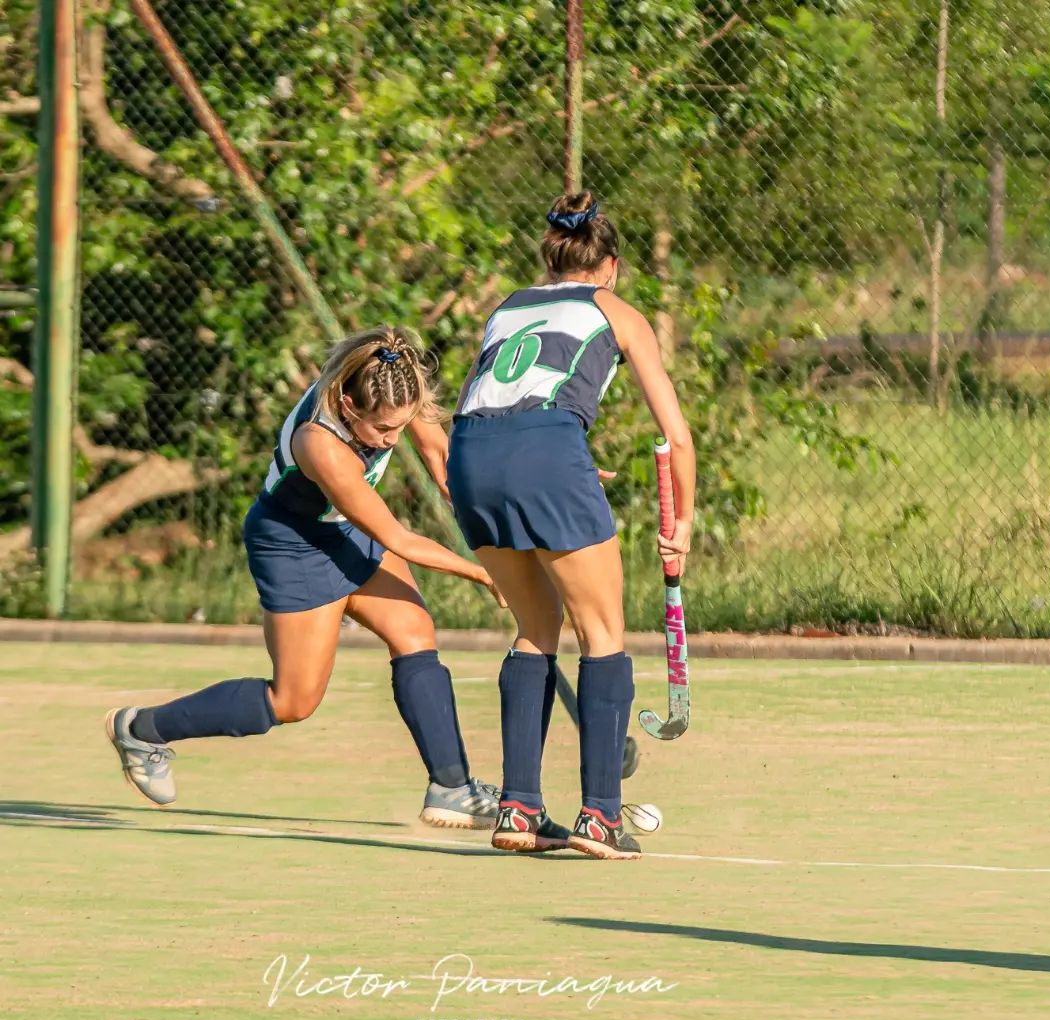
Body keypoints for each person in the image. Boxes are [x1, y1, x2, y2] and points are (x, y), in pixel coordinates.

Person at [107, 327, 505, 829]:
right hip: (293, 544)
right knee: (292, 701)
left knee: (414, 635)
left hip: (343, 529)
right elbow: (397, 537)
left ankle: (451, 787)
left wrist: (504, 513)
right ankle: (142, 728)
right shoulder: (321, 444)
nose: (390, 440)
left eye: (400, 427)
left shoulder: (393, 384)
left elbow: (443, 463)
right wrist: (485, 575)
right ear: (347, 403)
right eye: (382, 430)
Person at [446, 191, 696, 860]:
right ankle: (599, 818)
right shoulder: (615, 311)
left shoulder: (506, 308)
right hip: (547, 457)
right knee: (602, 633)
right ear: (608, 266)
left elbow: (503, 404)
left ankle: (519, 810)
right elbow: (675, 435)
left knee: (534, 631)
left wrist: (564, 463)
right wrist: (686, 522)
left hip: (471, 458)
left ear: (548, 257)